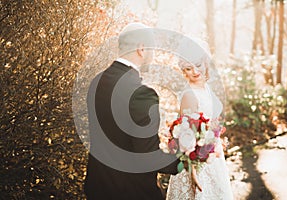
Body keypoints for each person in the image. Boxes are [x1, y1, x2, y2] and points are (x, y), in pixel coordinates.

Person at [84, 22, 179, 200]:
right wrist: (182, 162)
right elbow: (147, 157)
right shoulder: (142, 94)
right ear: (141, 48)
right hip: (132, 192)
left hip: (97, 188)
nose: (153, 55)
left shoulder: (95, 82)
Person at [166, 39, 234, 200]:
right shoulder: (189, 95)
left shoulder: (207, 88)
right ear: (183, 70)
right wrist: (193, 173)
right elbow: (185, 137)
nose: (195, 71)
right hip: (195, 162)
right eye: (189, 68)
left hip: (212, 155)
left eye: (198, 65)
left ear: (206, 62)